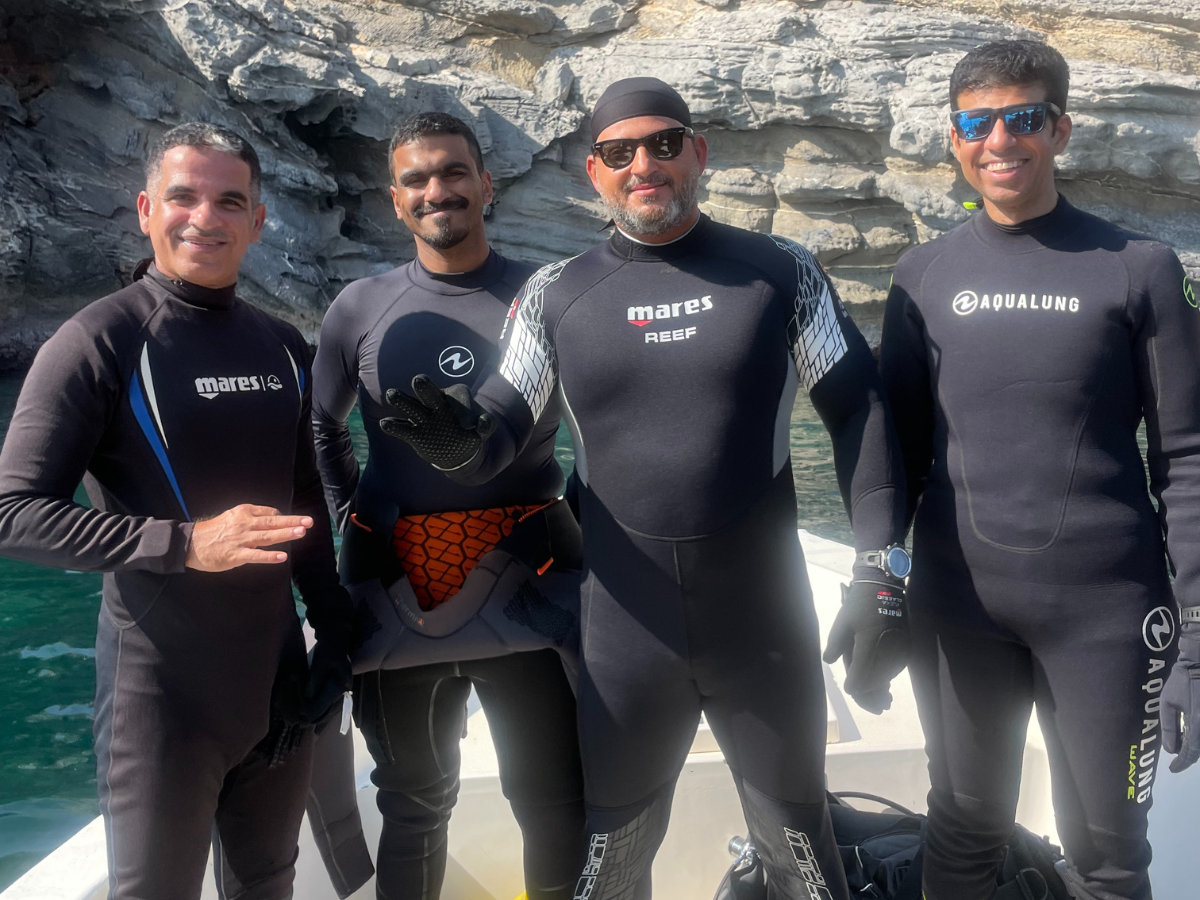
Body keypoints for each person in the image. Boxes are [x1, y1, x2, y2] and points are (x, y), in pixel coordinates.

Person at [380, 79, 911, 900]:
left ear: (697, 153)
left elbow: (859, 411)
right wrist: (457, 446)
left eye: (664, 144)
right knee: (610, 869)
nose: (643, 165)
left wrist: (882, 569)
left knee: (805, 863)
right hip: (629, 642)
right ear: (593, 171)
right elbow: (496, 433)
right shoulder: (555, 294)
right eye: (618, 152)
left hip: (762, 637)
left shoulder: (779, 272)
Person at [879, 39, 1200, 900]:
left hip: (1108, 614)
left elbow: (1187, 459)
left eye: (1022, 119)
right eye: (976, 123)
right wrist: (878, 585)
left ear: (1059, 128)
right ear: (954, 139)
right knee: (962, 833)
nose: (999, 141)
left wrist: (1198, 633)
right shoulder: (923, 275)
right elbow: (895, 456)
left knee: (1107, 856)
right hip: (958, 608)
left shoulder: (1139, 269)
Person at [0, 124, 354, 899]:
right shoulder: (101, 340)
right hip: (161, 696)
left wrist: (333, 628)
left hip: (277, 684)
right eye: (183, 196)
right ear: (145, 209)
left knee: (269, 881)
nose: (206, 217)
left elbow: (304, 505)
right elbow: (14, 513)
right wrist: (186, 543)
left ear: (258, 221)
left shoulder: (281, 345)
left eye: (230, 200)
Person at [310, 111, 586, 900]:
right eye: (418, 179)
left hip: (532, 578)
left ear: (486, 184)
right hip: (398, 585)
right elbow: (320, 427)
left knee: (551, 802)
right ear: (395, 201)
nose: (439, 190)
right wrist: (346, 516)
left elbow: (605, 429)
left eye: (454, 172)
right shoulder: (360, 308)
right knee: (414, 804)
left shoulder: (546, 296)